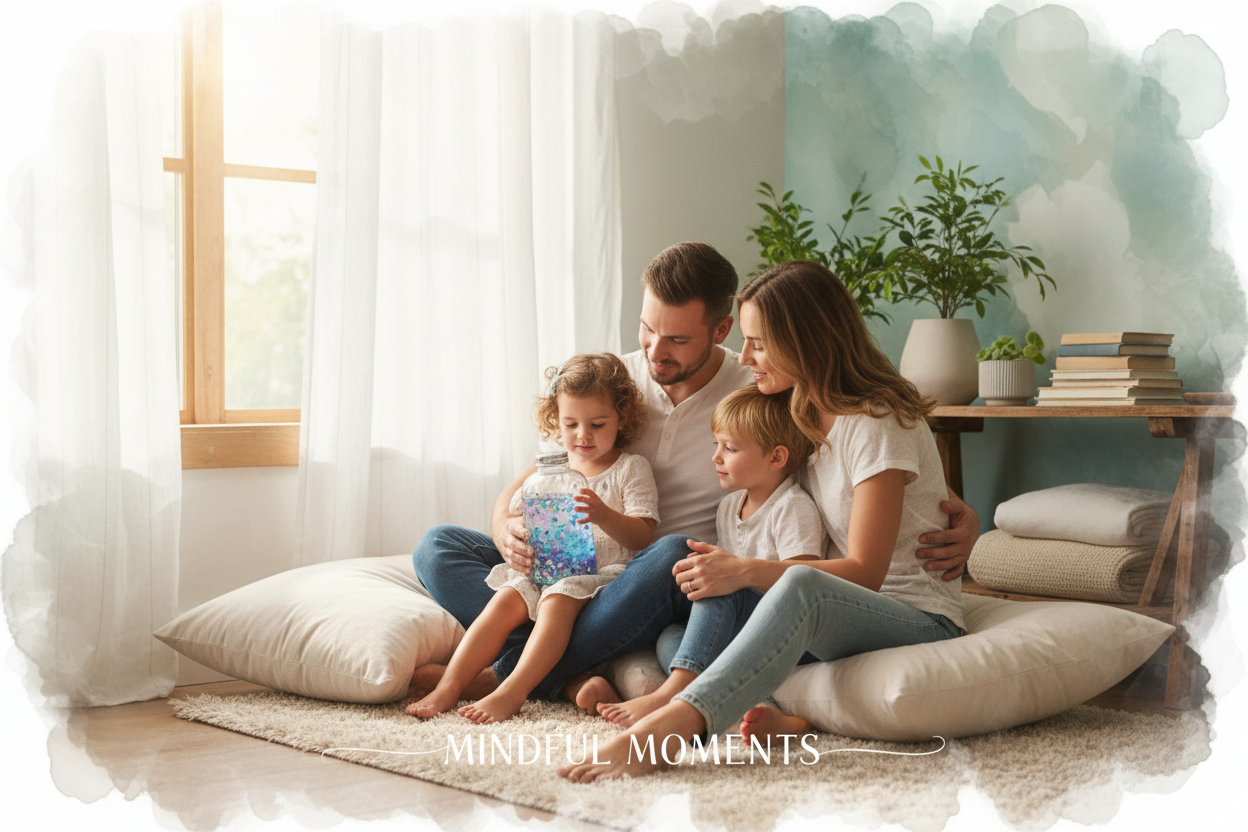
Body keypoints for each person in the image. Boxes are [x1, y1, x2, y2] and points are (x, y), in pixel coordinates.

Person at [412, 242, 978, 711]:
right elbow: (546, 466)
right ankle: (558, 673)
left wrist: (958, 509)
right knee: (440, 547)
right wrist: (505, 518)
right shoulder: (614, 381)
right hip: (581, 560)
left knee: (674, 552)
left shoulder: (762, 391)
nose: (656, 351)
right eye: (647, 329)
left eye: (678, 339)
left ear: (720, 329)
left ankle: (512, 673)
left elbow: (883, 468)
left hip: (669, 573)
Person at [558, 259, 967, 782]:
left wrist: (748, 571)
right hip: (842, 615)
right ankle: (779, 718)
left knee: (794, 582)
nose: (745, 356)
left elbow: (866, 569)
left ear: (808, 340)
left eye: (759, 343)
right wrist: (734, 571)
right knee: (689, 623)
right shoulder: (796, 409)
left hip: (911, 611)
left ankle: (669, 730)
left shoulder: (872, 421)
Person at [407, 353, 659, 724]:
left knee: (557, 600)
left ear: (621, 417)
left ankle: (510, 689)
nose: (583, 435)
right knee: (505, 599)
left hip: (601, 581)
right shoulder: (549, 466)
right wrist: (514, 529)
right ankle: (451, 685)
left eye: (597, 424)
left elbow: (643, 534)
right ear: (555, 420)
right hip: (549, 570)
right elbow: (514, 507)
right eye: (570, 423)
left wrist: (604, 514)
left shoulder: (630, 469)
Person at [597, 383, 827, 727]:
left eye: (730, 448)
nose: (716, 457)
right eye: (716, 445)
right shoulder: (730, 505)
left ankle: (673, 693)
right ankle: (763, 710)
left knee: (717, 586)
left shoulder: (792, 508)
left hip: (784, 630)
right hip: (744, 627)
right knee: (671, 637)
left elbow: (804, 578)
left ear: (776, 457)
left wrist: (730, 573)